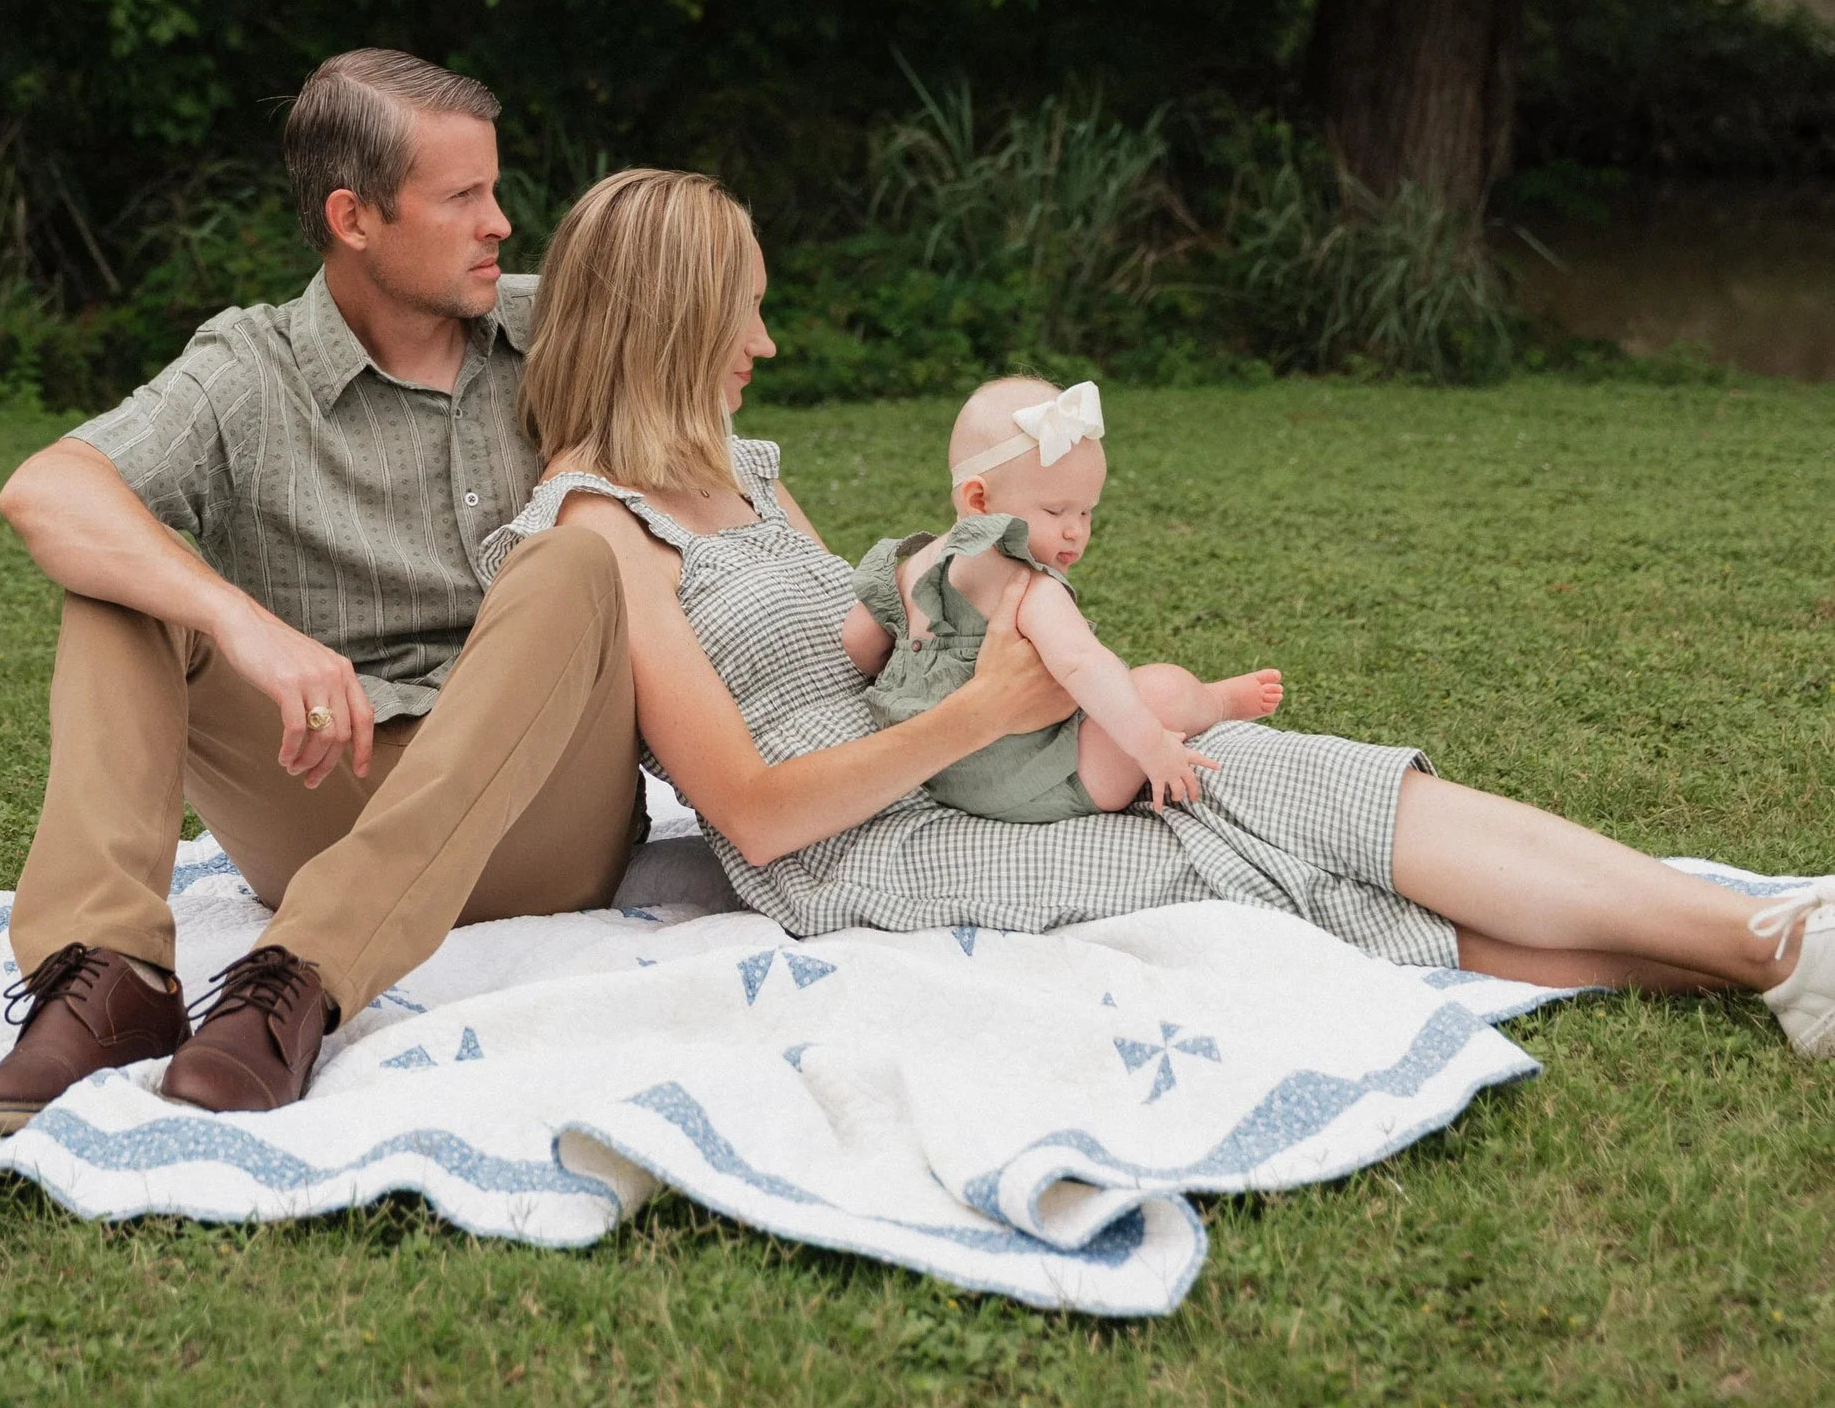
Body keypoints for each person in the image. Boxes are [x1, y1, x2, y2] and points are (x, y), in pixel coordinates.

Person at [484, 166, 1835, 1048]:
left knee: (1265, 770)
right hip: (863, 859)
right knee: (1233, 867)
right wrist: (978, 709)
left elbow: (871, 640)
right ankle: (1757, 954)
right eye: (745, 317)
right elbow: (754, 812)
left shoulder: (747, 475)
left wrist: (973, 588)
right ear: (666, 321)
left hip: (973, 769)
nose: (767, 346)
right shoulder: (599, 536)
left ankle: (1765, 945)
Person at [0, 50, 639, 1132]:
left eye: (493, 190)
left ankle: (298, 979)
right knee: (122, 589)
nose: (501, 222)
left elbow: (727, 436)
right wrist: (241, 621)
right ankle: (114, 978)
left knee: (574, 560)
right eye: (463, 197)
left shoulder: (561, 328)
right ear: (354, 217)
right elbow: (46, 489)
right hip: (333, 783)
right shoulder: (247, 369)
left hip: (544, 812)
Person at [842, 372, 1285, 820]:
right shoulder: (1027, 586)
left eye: (1086, 511)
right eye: (1055, 511)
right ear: (979, 499)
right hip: (1041, 780)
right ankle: (1218, 702)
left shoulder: (913, 565)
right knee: (1162, 688)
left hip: (929, 769)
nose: (1076, 530)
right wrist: (1152, 746)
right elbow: (1084, 665)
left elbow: (858, 641)